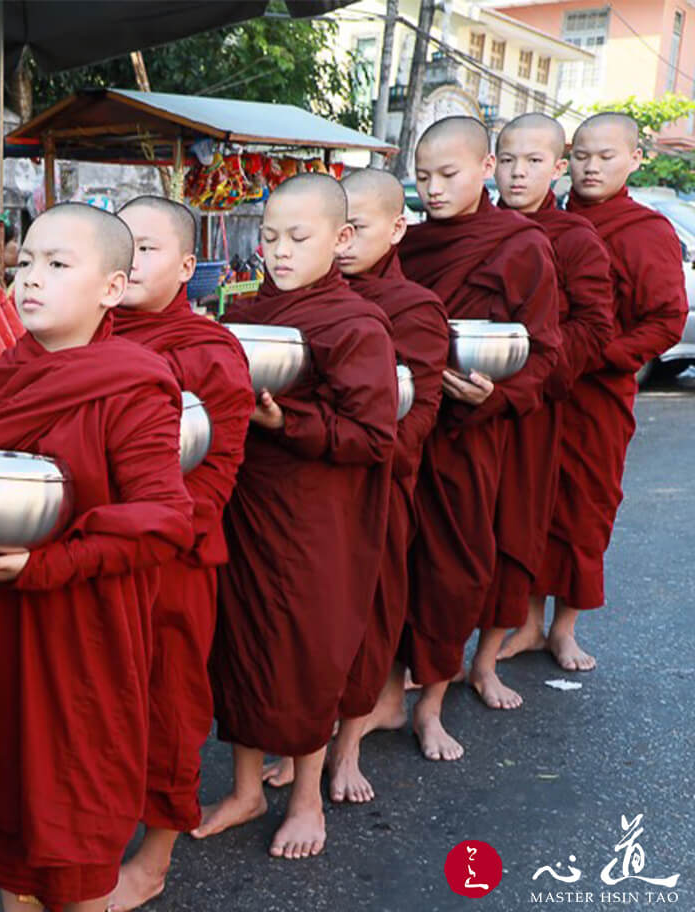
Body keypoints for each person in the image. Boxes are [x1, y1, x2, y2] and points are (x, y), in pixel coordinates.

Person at [0, 202, 194, 912]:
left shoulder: (134, 382)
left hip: (84, 627)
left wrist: (49, 564)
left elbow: (164, 518)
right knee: (9, 819)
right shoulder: (6, 372)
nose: (30, 279)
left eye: (58, 265)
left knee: (73, 827)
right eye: (25, 262)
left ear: (111, 289)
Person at [198, 173, 398, 859]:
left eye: (298, 237)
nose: (279, 250)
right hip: (248, 503)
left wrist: (289, 419)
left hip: (318, 517)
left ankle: (307, 795)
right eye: (270, 235)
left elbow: (374, 435)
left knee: (305, 651)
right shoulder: (248, 309)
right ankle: (247, 787)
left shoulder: (356, 323)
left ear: (341, 240)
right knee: (241, 643)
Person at [107, 196, 254, 910]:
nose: (128, 263)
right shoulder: (83, 333)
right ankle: (93, 829)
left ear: (188, 267)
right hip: (84, 557)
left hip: (171, 557)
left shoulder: (207, 350)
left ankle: (157, 855)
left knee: (167, 707)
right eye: (118, 248)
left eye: (146, 249)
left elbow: (217, 468)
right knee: (94, 703)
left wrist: (147, 532)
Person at [398, 117, 561, 759]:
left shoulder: (520, 245)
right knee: (390, 567)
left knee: (452, 571)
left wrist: (500, 396)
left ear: (486, 167)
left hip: (469, 434)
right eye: (423, 177)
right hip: (403, 430)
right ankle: (385, 695)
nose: (434, 189)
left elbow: (545, 354)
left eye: (449, 174)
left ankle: (431, 706)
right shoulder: (404, 245)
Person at [502, 112, 688, 671]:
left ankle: (564, 627)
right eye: (582, 155)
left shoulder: (645, 230)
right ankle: (528, 621)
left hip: (596, 393)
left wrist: (592, 357)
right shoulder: (543, 222)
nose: (591, 166)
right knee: (530, 503)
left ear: (635, 160)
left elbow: (665, 321)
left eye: (606, 157)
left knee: (584, 507)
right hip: (538, 394)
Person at [330, 167, 450, 802]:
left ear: (397, 228)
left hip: (376, 481)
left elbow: (423, 409)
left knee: (368, 615)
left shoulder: (414, 308)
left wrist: (360, 449)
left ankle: (348, 746)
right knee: (308, 619)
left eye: (359, 229)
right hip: (304, 485)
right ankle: (305, 740)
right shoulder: (302, 295)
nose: (342, 241)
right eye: (335, 229)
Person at [491, 114, 617, 673]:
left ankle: (551, 630)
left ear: (557, 168)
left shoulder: (574, 237)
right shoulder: (471, 229)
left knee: (558, 517)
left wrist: (530, 367)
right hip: (473, 401)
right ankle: (494, 634)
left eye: (534, 162)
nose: (519, 175)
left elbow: (595, 325)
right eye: (509, 161)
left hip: (548, 401)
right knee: (476, 521)